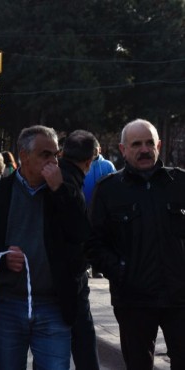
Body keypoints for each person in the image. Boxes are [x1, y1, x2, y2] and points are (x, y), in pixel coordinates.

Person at [0, 125, 85, 370]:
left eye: (56, 154)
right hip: (7, 306)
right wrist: (1, 258)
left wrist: (60, 191)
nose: (53, 161)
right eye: (45, 154)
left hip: (53, 306)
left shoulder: (66, 191)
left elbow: (81, 236)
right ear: (23, 155)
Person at [87, 119, 185, 370]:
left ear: (159, 145)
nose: (144, 149)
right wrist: (122, 272)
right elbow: (94, 244)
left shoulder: (180, 183)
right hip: (134, 300)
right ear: (123, 149)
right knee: (138, 365)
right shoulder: (109, 190)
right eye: (136, 144)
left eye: (149, 143)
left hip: (180, 297)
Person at [59, 130, 100, 370]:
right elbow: (80, 230)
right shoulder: (69, 182)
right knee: (83, 340)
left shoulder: (58, 175)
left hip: (51, 275)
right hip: (70, 276)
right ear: (88, 161)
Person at [83, 138, 116, 206]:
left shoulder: (108, 165)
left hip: (105, 206)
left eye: (95, 149)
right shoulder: (82, 165)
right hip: (84, 206)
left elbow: (115, 184)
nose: (92, 151)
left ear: (99, 149)